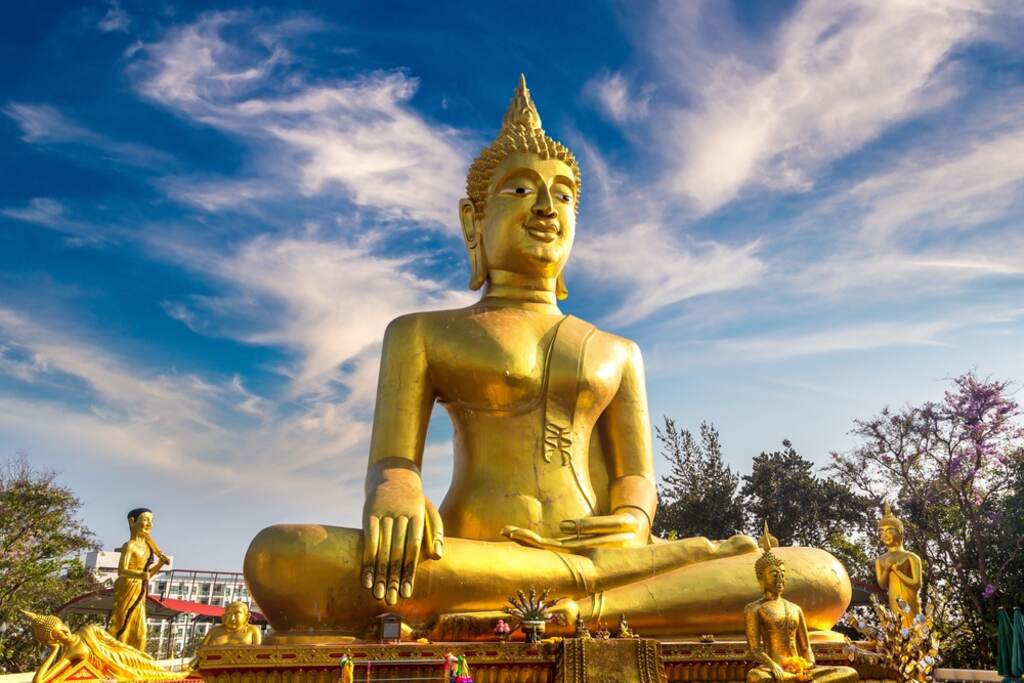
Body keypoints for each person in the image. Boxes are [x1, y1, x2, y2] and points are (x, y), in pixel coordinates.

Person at [244, 75, 851, 642]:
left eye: (562, 195)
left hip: (610, 560)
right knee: (282, 557)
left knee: (819, 576)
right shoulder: (421, 333)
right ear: (472, 221)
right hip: (472, 555)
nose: (545, 207)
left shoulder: (617, 351)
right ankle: (607, 593)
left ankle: (587, 605)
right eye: (519, 190)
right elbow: (394, 460)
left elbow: (635, 477)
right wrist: (397, 489)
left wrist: (637, 521)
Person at [744, 526, 859, 683]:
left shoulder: (795, 608)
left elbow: (806, 648)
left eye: (782, 574)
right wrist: (773, 666)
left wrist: (809, 664)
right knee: (756, 677)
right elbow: (754, 650)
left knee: (849, 673)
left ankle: (800, 679)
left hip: (799, 667)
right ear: (761, 577)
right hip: (776, 669)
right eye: (774, 574)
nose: (780, 579)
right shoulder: (754, 608)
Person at [20, 610, 185, 683]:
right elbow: (39, 681)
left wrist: (138, 652)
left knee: (162, 673)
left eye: (62, 627)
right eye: (58, 635)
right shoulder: (68, 654)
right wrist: (54, 650)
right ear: (53, 639)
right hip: (114, 675)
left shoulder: (89, 629)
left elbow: (116, 643)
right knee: (156, 677)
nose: (64, 631)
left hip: (124, 657)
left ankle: (190, 674)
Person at [108, 508, 168, 650]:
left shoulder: (148, 548)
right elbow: (121, 570)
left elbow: (147, 575)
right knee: (123, 624)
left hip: (140, 589)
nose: (149, 524)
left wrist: (160, 564)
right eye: (146, 519)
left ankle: (137, 658)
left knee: (140, 632)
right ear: (132, 522)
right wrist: (139, 575)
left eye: (151, 521)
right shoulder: (129, 546)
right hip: (127, 586)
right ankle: (118, 653)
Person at [874, 503, 922, 627]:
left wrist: (897, 571)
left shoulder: (911, 557)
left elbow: (917, 584)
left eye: (890, 531)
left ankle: (917, 644)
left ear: (900, 532)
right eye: (882, 532)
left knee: (913, 626)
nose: (885, 535)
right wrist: (887, 570)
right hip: (894, 599)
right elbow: (882, 584)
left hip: (910, 599)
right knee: (899, 624)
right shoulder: (880, 560)